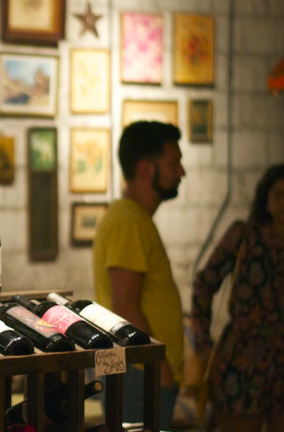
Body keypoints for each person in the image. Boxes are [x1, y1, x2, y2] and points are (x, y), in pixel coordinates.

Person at [92, 121, 186, 428]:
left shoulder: (130, 217)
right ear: (146, 169)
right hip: (138, 373)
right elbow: (125, 306)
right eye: (174, 163)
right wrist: (162, 371)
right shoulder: (129, 220)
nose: (181, 172)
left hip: (133, 369)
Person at [191, 164, 284, 432]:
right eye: (278, 194)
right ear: (266, 200)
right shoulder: (244, 236)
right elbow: (204, 284)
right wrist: (202, 341)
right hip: (243, 356)